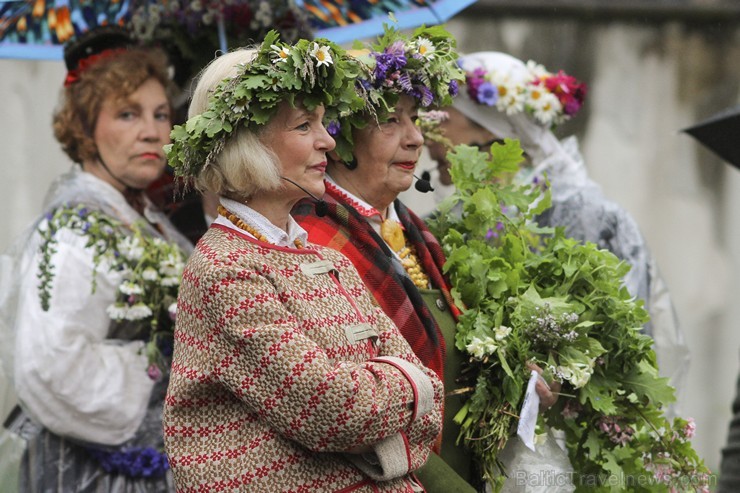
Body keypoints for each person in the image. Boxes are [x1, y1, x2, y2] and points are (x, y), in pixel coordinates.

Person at [161, 33, 444, 492]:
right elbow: (333, 411)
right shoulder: (223, 270)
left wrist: (385, 395)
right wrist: (401, 389)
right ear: (247, 143)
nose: (327, 143)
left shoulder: (326, 258)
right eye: (303, 126)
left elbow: (430, 399)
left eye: (321, 123)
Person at [291, 28, 559, 492]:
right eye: (390, 122)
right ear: (341, 138)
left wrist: (515, 377)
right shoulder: (313, 244)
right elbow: (356, 411)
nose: (416, 138)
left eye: (414, 118)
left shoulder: (416, 231)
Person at [423, 51, 689, 401]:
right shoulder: (442, 226)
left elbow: (625, 346)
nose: (424, 135)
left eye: (439, 117)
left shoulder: (594, 221)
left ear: (489, 126)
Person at [0, 26, 193, 492]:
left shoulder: (142, 217)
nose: (152, 131)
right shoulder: (73, 231)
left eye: (161, 114)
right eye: (128, 114)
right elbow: (48, 366)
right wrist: (159, 375)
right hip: (98, 472)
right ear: (86, 128)